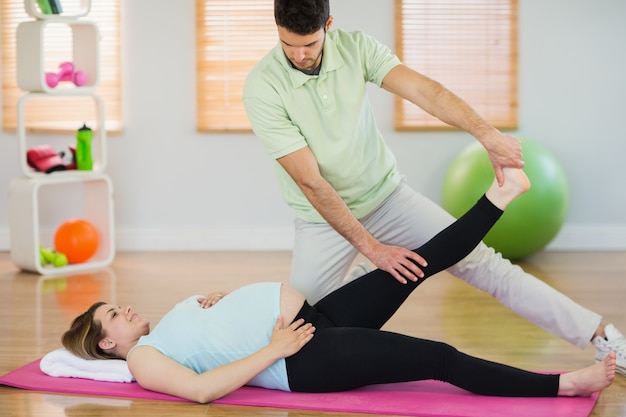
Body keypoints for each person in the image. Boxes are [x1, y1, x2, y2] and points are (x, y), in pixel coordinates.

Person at [242, 0, 625, 374]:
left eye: (309, 44)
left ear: (328, 26)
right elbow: (311, 182)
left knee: (483, 264)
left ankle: (602, 336)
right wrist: (374, 252)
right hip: (321, 220)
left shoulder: (355, 47)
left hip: (387, 197)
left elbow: (425, 91)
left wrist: (487, 136)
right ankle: (362, 279)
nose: (300, 55)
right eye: (288, 45)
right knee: (299, 327)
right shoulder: (263, 85)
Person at [62, 169, 616, 403]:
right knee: (438, 357)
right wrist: (271, 350)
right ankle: (563, 387)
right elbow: (205, 391)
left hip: (313, 322)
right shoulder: (143, 361)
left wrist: (221, 297)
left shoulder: (174, 322)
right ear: (108, 343)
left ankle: (502, 193)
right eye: (113, 314)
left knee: (416, 262)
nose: (124, 308)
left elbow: (216, 339)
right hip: (302, 357)